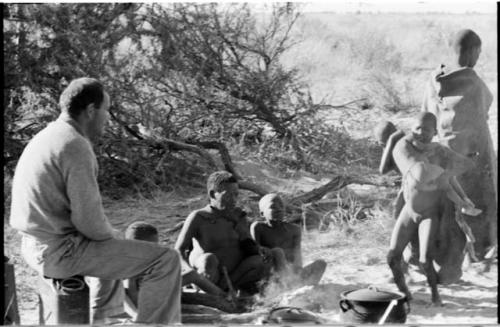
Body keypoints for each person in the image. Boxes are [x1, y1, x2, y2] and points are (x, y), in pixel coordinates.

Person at [9, 77, 181, 324]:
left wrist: (111, 235)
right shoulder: (75, 145)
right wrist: (113, 234)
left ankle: (104, 319)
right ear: (91, 110)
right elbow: (89, 223)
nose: (107, 117)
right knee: (166, 260)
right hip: (58, 252)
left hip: (34, 244)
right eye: (106, 110)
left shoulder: (49, 135)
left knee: (112, 240)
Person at [421, 28, 497, 260]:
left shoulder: (435, 78)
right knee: (481, 197)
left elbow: (427, 114)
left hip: (444, 149)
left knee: (450, 199)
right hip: (474, 151)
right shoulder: (472, 81)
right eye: (479, 52)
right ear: (473, 51)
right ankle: (482, 248)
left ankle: (448, 248)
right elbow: (482, 110)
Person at [387, 112, 474, 306]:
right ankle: (405, 294)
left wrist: (461, 197)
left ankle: (435, 295)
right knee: (392, 256)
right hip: (409, 210)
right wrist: (395, 137)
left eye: (426, 129)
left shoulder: (441, 152)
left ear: (435, 132)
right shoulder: (406, 147)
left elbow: (462, 168)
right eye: (417, 128)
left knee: (426, 260)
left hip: (429, 214)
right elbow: (408, 170)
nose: (421, 133)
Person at [175, 171, 280, 295]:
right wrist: (189, 272)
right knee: (209, 259)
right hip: (208, 278)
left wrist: (258, 249)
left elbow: (247, 243)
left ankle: (230, 292)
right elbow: (179, 250)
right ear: (213, 194)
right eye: (228, 195)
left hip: (234, 277)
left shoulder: (238, 215)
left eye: (236, 195)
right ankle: (213, 294)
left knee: (261, 261)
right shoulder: (199, 217)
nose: (234, 200)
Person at [250, 193, 327, 286]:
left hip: (291, 272)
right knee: (277, 252)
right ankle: (285, 286)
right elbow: (255, 250)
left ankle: (306, 287)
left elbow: (297, 254)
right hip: (272, 274)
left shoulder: (294, 229)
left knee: (321, 264)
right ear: (262, 213)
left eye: (281, 206)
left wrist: (297, 271)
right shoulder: (259, 227)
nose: (279, 209)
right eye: (273, 207)